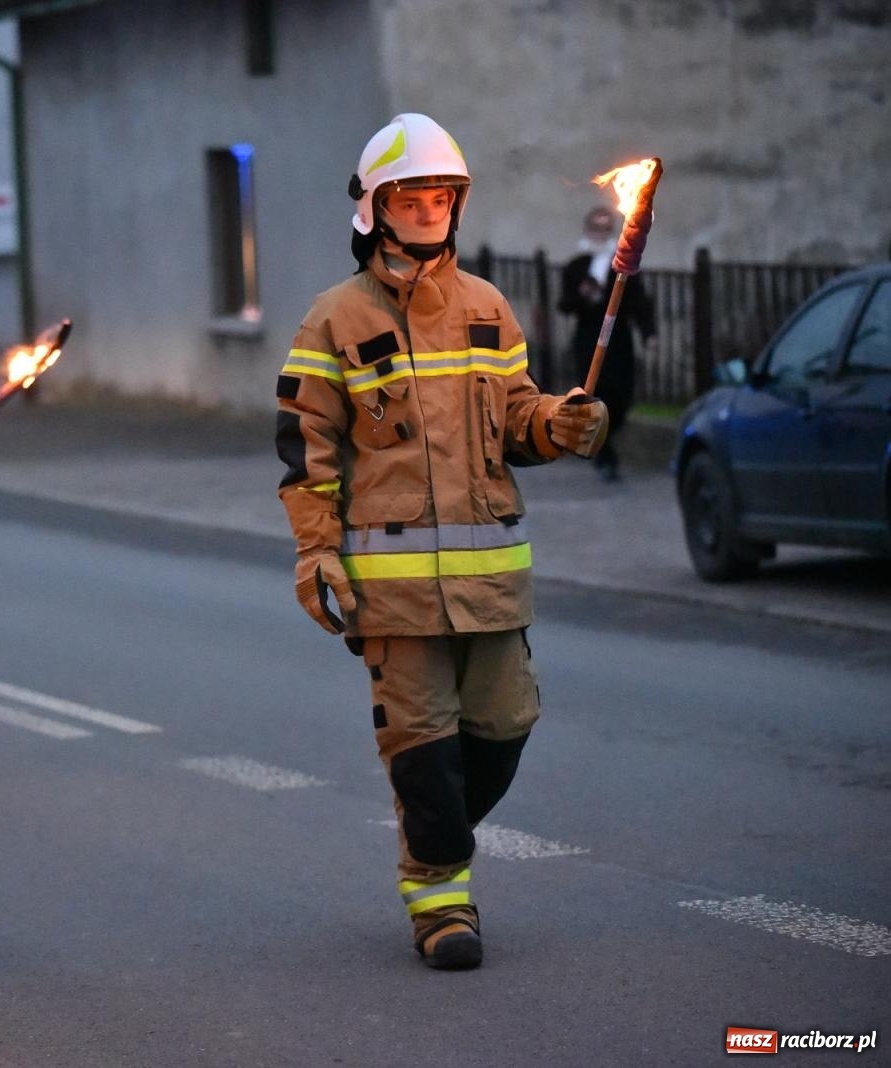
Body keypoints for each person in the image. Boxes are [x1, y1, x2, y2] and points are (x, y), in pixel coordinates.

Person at [274, 114, 609, 970]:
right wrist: (317, 554)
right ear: (375, 208)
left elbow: (518, 423)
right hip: (392, 596)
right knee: (422, 753)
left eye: (440, 196)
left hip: (492, 582)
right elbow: (305, 457)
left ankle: (436, 836)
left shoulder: (488, 308)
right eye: (411, 196)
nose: (427, 210)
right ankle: (441, 903)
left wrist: (559, 424)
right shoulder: (332, 323)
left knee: (501, 731)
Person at [558, 205, 657, 481]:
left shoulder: (623, 264)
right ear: (588, 230)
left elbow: (639, 301)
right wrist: (582, 295)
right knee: (594, 397)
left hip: (619, 341)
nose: (600, 233)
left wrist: (648, 332)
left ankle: (602, 445)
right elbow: (564, 304)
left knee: (621, 397)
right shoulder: (576, 266)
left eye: (605, 227)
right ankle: (605, 457)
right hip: (589, 340)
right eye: (596, 227)